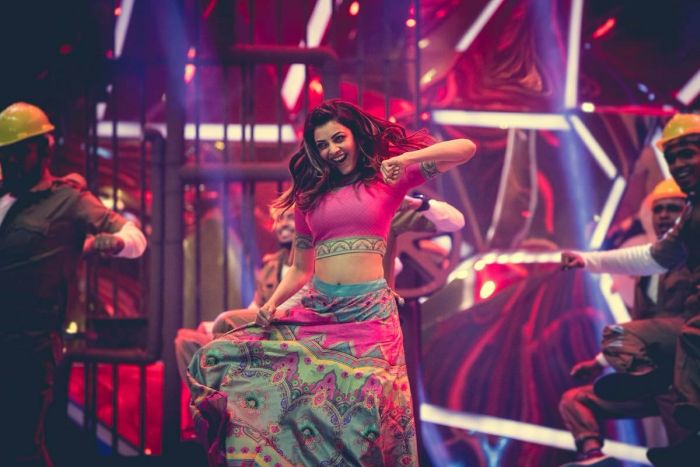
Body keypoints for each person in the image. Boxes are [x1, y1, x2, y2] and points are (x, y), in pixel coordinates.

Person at [187, 99, 476, 465]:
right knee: (215, 356)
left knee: (362, 418)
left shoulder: (387, 180)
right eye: (322, 144)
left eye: (339, 138)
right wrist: (272, 304)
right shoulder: (308, 199)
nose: (332, 150)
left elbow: (466, 148)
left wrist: (404, 160)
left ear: (355, 136)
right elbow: (299, 269)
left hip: (369, 316)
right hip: (317, 310)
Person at [175, 195, 464, 436]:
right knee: (201, 341)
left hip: (357, 324)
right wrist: (272, 307)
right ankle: (231, 413)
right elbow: (300, 278)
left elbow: (450, 222)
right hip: (312, 319)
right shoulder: (296, 247)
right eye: (281, 219)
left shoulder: (380, 214)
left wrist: (418, 202)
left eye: (289, 218)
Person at [0, 102, 147, 467]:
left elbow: (134, 237)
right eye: (5, 153)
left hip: (29, 343)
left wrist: (113, 243)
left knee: (20, 445)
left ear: (43, 150)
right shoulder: (3, 198)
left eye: (20, 151)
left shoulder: (68, 200)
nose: (11, 161)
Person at [561, 113, 700, 466]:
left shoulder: (687, 246)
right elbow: (651, 257)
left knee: (684, 337)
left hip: (685, 360)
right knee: (577, 397)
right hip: (670, 368)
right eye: (673, 157)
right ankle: (596, 456)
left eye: (688, 153)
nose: (679, 164)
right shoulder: (686, 226)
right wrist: (588, 261)